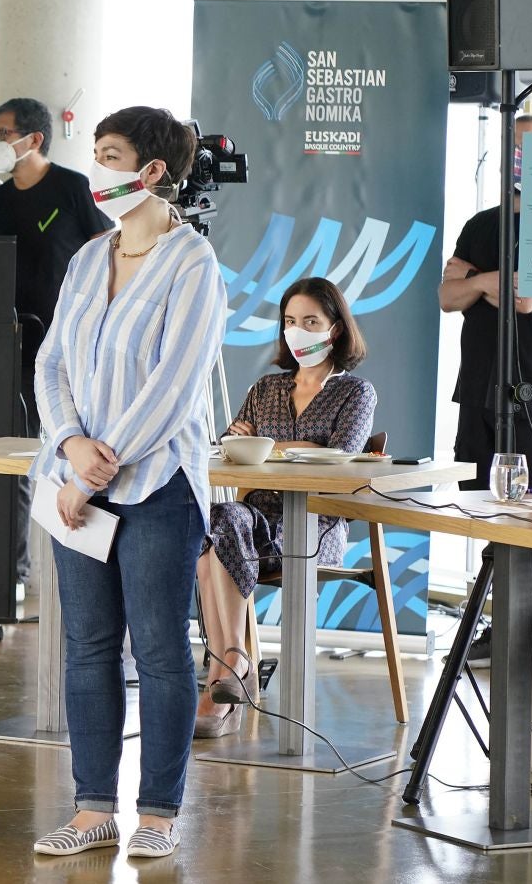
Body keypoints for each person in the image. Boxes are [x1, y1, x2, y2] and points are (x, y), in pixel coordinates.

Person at [30, 106, 225, 859]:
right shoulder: (87, 258)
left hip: (159, 485)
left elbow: (175, 389)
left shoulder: (193, 263)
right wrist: (71, 445)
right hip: (76, 477)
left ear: (150, 172)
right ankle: (92, 808)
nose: (96, 167)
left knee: (161, 651)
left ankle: (158, 811)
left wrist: (100, 463)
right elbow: (51, 364)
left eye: (109, 154)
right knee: (88, 648)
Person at [195, 277, 375, 738]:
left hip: (315, 524)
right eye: (290, 321)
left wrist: (268, 445)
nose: (298, 331)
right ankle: (233, 661)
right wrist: (265, 443)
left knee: (217, 537)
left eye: (310, 321)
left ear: (334, 329)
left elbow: (342, 457)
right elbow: (232, 443)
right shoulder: (266, 388)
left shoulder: (355, 392)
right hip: (252, 521)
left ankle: (226, 673)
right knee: (212, 524)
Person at [0, 97, 111, 587]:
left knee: (74, 448)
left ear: (33, 139)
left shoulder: (73, 188)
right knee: (19, 457)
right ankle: (16, 573)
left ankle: (80, 561)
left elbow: (104, 254)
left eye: (3, 132)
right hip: (13, 348)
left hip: (73, 349)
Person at [440, 113, 532, 668]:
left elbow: (526, 297)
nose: (521, 162)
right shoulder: (483, 222)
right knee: (483, 500)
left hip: (531, 387)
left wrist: (479, 282)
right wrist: (479, 283)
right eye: (516, 151)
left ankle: (525, 626)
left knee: (525, 505)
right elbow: (447, 295)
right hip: (480, 384)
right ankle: (496, 622)